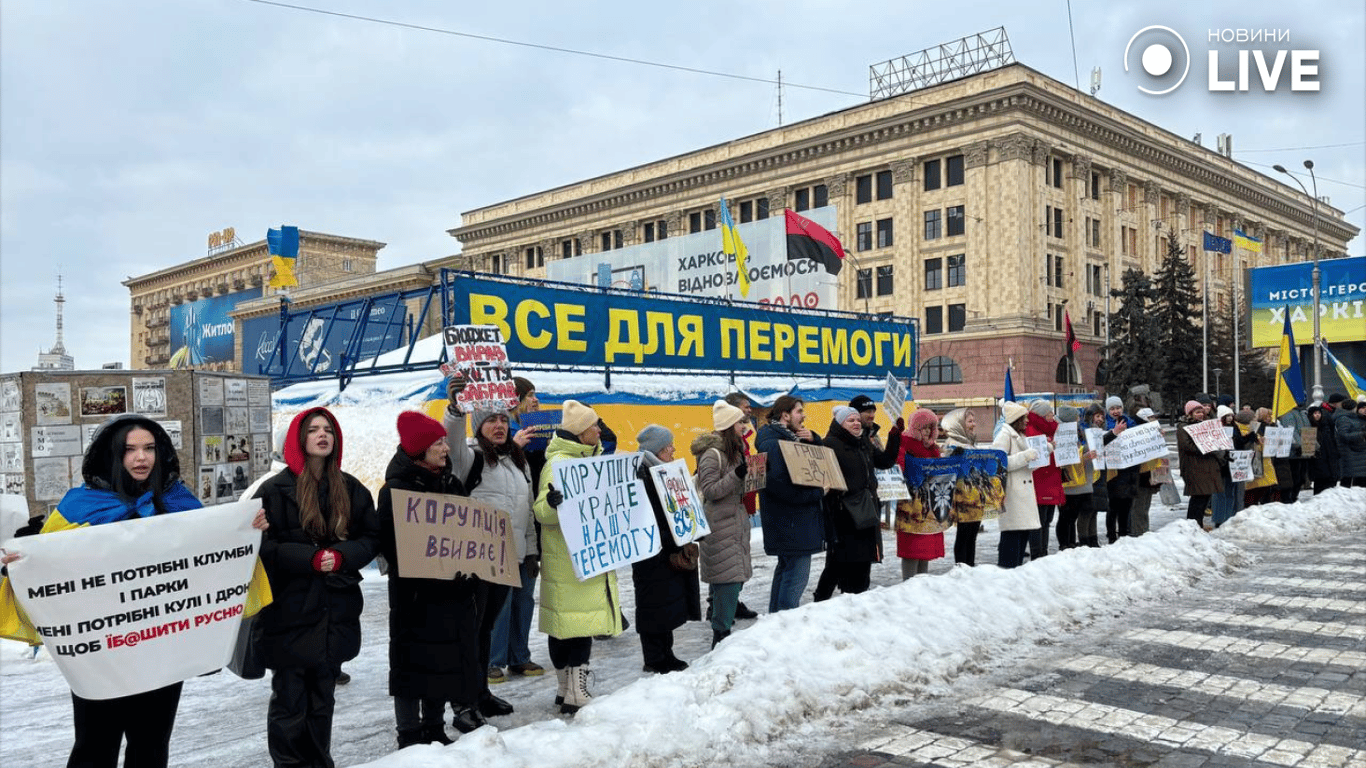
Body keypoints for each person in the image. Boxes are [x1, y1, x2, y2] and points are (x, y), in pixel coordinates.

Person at [1, 414, 266, 768]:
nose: (142, 458)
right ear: (111, 455)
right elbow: (50, 572)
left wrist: (245, 530)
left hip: (161, 652)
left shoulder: (177, 500)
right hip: (102, 655)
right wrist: (21, 563)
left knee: (151, 747)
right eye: (130, 450)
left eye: (149, 448)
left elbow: (211, 561)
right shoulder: (78, 506)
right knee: (95, 748)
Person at [255, 407, 380, 768]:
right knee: (289, 702)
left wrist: (341, 557)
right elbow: (262, 547)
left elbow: (371, 537)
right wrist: (308, 559)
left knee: (322, 701)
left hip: (335, 609)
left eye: (328, 429)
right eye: (313, 430)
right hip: (290, 611)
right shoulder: (273, 490)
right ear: (299, 438)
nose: (322, 435)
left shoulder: (351, 487)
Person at [375, 411, 483, 748]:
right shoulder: (394, 491)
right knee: (410, 665)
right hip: (415, 596)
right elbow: (391, 546)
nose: (445, 448)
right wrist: (430, 575)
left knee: (443, 659)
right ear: (420, 449)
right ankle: (408, 735)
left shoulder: (451, 483)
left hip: (452, 591)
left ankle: (434, 727)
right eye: (438, 442)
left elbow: (467, 530)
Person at [445, 377, 539, 717]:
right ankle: (462, 703)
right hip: (476, 562)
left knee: (485, 631)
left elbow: (524, 510)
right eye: (490, 420)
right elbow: (452, 445)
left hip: (507, 561)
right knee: (468, 633)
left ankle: (480, 693)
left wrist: (529, 551)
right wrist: (456, 410)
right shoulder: (470, 458)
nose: (499, 425)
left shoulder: (517, 460)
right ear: (479, 425)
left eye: (503, 419)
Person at [532, 400, 619, 714]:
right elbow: (541, 512)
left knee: (574, 625)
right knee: (572, 627)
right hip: (569, 559)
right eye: (594, 425)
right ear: (582, 432)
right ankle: (572, 690)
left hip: (587, 556)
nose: (599, 430)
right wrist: (553, 504)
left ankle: (568, 689)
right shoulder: (557, 464)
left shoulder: (591, 459)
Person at [631, 424, 701, 671]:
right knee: (654, 606)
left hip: (667, 548)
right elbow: (645, 516)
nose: (673, 448)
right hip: (651, 553)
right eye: (668, 445)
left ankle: (666, 653)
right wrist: (672, 536)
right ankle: (655, 658)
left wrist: (692, 527)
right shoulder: (642, 475)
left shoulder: (663, 471)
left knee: (668, 604)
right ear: (657, 449)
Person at [814, 406, 898, 595]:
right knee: (841, 561)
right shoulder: (830, 444)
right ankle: (826, 599)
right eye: (850, 421)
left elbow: (885, 461)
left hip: (866, 510)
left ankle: (859, 596)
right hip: (844, 512)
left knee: (864, 559)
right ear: (840, 423)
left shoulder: (863, 443)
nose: (856, 423)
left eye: (857, 420)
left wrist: (894, 436)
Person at [755, 395, 825, 612]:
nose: (803, 416)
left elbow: (820, 461)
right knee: (795, 579)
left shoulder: (785, 440)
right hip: (792, 523)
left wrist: (815, 440)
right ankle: (785, 626)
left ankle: (775, 623)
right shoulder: (778, 445)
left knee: (786, 573)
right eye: (799, 412)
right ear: (785, 415)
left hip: (790, 523)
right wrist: (818, 493)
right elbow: (780, 487)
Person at [693, 401, 752, 647]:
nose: (744, 426)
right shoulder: (712, 454)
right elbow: (710, 490)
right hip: (719, 525)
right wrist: (737, 475)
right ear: (728, 425)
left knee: (733, 580)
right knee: (726, 582)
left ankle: (722, 628)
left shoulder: (734, 451)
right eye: (740, 422)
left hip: (734, 521)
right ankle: (720, 634)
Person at [896, 408, 945, 578]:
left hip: (928, 504)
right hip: (910, 504)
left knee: (925, 548)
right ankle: (909, 584)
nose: (927, 432)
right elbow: (898, 467)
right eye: (924, 428)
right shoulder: (904, 442)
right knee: (912, 549)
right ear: (916, 428)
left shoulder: (933, 449)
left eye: (931, 428)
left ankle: (922, 584)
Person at [991, 402, 1040, 569]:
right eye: (1024, 418)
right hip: (1012, 493)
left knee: (1022, 532)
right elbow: (998, 463)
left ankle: (1015, 571)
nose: (1027, 421)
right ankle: (1006, 571)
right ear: (1016, 419)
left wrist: (1042, 454)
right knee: (1012, 534)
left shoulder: (1020, 436)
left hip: (1022, 492)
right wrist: (1026, 456)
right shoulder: (1004, 435)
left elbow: (1026, 465)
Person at [939, 408, 982, 564]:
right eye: (969, 421)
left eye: (973, 421)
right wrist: (953, 458)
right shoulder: (952, 444)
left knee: (972, 533)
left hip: (974, 495)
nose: (973, 425)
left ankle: (969, 564)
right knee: (964, 533)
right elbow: (946, 470)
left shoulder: (969, 442)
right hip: (961, 496)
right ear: (958, 424)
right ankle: (962, 565)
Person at [1175, 400, 1223, 528]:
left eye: (1201, 412)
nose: (1200, 415)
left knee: (1205, 497)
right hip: (1194, 467)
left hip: (1207, 466)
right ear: (1190, 413)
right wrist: (1206, 446)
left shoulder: (1206, 425)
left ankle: (1198, 524)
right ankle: (1193, 525)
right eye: (1197, 412)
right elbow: (1188, 446)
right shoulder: (1183, 427)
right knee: (1198, 498)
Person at [1056, 405, 1096, 550]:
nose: (1079, 419)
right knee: (1065, 517)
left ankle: (1071, 543)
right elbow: (1065, 457)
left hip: (1080, 480)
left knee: (1072, 516)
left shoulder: (1078, 432)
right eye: (1076, 417)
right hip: (1067, 482)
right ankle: (1064, 544)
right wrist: (1082, 457)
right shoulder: (1061, 434)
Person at [1025, 400, 1062, 559]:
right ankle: (1037, 553)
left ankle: (1043, 552)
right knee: (1038, 520)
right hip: (1039, 479)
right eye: (1049, 414)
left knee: (1046, 520)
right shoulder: (1031, 430)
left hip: (1052, 477)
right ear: (1041, 415)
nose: (1053, 416)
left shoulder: (1054, 429)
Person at [1102, 396, 1139, 543]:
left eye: (1118, 408)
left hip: (1130, 470)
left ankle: (1124, 534)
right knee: (1113, 505)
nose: (1116, 411)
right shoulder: (1105, 424)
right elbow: (1101, 442)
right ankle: (1111, 535)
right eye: (1112, 409)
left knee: (1127, 504)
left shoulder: (1131, 422)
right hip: (1114, 471)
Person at [1129, 407, 1162, 536]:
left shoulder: (1153, 431)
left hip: (1148, 474)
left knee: (1144, 507)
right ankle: (1138, 533)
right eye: (1152, 417)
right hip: (1140, 475)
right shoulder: (1137, 432)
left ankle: (1143, 531)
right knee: (1139, 507)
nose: (1155, 420)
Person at [1082, 405, 1108, 548]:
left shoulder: (1102, 432)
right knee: (1086, 510)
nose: (1100, 419)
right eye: (1097, 416)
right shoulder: (1083, 432)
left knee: (1094, 510)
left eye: (1101, 417)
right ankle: (1085, 540)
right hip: (1087, 474)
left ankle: (1093, 538)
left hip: (1099, 473)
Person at [1335, 400, 1366, 487]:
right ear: (1353, 408)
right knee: (1347, 481)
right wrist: (1362, 435)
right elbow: (1344, 435)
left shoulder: (1353, 417)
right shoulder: (1344, 418)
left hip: (1357, 454)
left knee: (1359, 481)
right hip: (1350, 453)